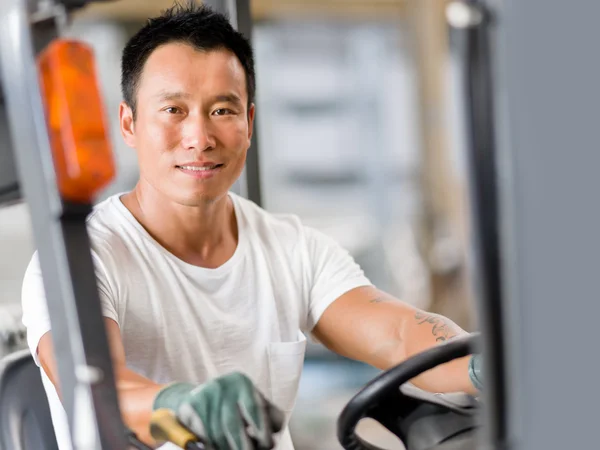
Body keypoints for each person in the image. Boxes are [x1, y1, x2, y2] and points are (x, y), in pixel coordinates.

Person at [21, 3, 482, 450]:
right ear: (128, 123)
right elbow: (99, 390)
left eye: (222, 110)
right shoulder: (78, 262)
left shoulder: (293, 248)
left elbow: (402, 334)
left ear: (249, 122)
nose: (199, 138)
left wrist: (488, 364)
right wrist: (179, 404)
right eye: (173, 111)